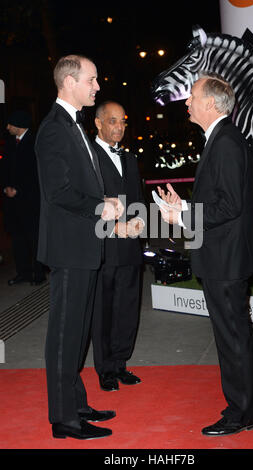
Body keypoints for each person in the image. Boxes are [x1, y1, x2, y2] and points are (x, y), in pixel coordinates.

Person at [158, 71, 253, 437]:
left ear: (211, 102)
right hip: (225, 255)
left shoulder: (225, 141)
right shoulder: (223, 138)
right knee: (238, 329)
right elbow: (224, 200)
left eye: (192, 95)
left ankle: (241, 413)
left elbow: (227, 207)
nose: (187, 101)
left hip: (223, 258)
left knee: (231, 335)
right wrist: (188, 204)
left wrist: (181, 215)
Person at [35, 55, 124, 440]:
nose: (97, 86)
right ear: (70, 82)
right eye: (92, 79)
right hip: (70, 247)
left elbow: (79, 184)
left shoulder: (73, 126)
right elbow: (58, 192)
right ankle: (64, 420)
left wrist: (105, 199)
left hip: (83, 245)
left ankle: (77, 404)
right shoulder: (55, 128)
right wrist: (99, 206)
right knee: (64, 335)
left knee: (77, 332)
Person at [91, 101, 144, 392]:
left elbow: (137, 197)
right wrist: (113, 229)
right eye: (113, 121)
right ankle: (106, 369)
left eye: (122, 121)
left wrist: (140, 223)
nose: (119, 127)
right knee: (104, 310)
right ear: (99, 124)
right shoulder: (89, 157)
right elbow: (88, 204)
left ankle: (121, 363)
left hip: (130, 247)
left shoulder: (130, 158)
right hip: (104, 247)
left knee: (127, 307)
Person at [1, 110, 46, 285]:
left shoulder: (35, 142)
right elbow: (4, 168)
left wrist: (18, 189)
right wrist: (6, 187)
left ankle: (38, 273)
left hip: (30, 201)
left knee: (34, 239)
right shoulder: (10, 143)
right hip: (12, 202)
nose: (7, 127)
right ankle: (23, 273)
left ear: (18, 124)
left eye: (10, 123)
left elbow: (35, 173)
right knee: (18, 239)